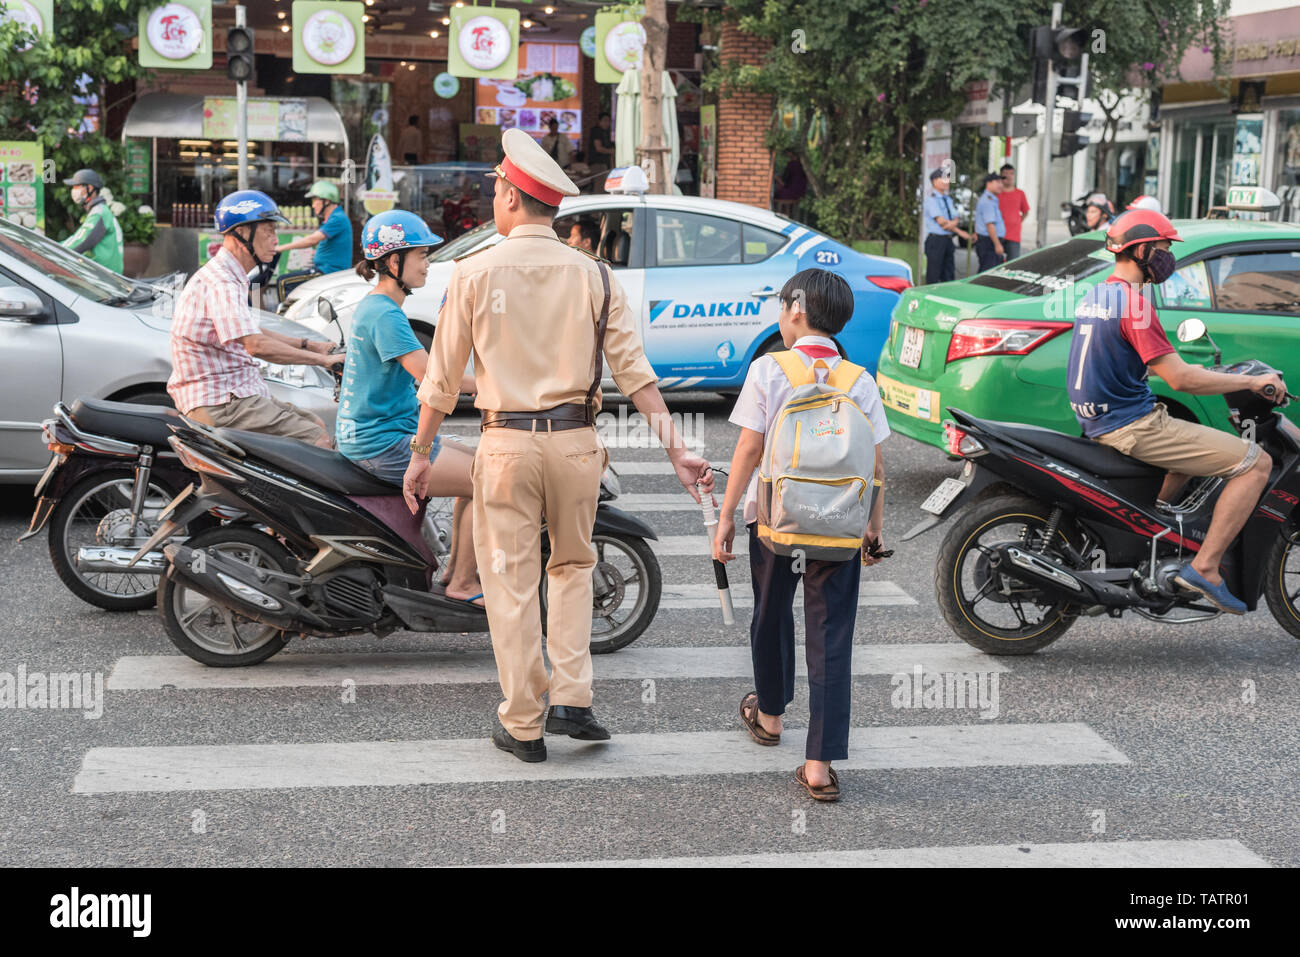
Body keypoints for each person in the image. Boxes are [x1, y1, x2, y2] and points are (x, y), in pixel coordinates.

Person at [402, 128, 714, 762]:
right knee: (573, 568)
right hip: (577, 444)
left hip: (507, 446)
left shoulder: (471, 272)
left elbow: (439, 383)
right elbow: (636, 374)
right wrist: (677, 448)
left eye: (495, 188)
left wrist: (420, 454)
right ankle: (574, 698)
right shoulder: (595, 276)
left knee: (512, 583)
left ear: (513, 199)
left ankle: (524, 723)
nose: (493, 197)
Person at [713, 268, 889, 802]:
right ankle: (819, 764)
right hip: (837, 527)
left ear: (796, 309)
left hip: (774, 524)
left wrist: (724, 517)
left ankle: (769, 716)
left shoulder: (770, 369)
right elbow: (876, 465)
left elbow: (747, 449)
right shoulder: (858, 379)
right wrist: (872, 530)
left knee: (770, 614)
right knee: (832, 635)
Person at [1065, 208, 1284, 615]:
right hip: (1132, 425)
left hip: (1099, 418)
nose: (1168, 257)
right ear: (1143, 249)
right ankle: (1205, 568)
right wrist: (1252, 382)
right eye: (1164, 248)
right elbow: (1180, 381)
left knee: (1187, 443)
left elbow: (1152, 364)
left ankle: (1148, 532)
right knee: (1256, 463)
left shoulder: (1098, 295)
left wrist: (1202, 371)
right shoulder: (1135, 304)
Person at [339, 210, 483, 606]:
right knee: (488, 480)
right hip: (381, 445)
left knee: (480, 466)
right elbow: (432, 378)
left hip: (382, 435)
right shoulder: (385, 314)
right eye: (421, 254)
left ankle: (455, 570)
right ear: (392, 261)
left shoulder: (378, 307)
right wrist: (494, 388)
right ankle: (464, 585)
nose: (428, 262)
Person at [167, 189, 344, 448]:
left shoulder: (230, 275)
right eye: (269, 231)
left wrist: (311, 345)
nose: (275, 239)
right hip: (221, 402)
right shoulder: (222, 282)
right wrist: (323, 361)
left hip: (235, 394)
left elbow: (251, 331)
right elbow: (256, 345)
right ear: (242, 234)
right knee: (316, 439)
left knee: (316, 423)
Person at [273, 180, 353, 302]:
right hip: (323, 269)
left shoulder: (338, 219)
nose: (313, 205)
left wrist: (281, 248)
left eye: (315, 200)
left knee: (283, 282)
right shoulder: (334, 217)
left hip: (328, 272)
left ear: (326, 201)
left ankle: (285, 319)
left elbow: (312, 240)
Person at [60, 169, 124, 274]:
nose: (73, 190)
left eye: (77, 186)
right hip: (104, 274)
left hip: (104, 278)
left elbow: (80, 242)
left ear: (90, 188)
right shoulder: (99, 211)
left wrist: (52, 249)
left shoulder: (99, 213)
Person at [922, 169, 970, 284]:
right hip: (936, 241)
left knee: (948, 274)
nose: (947, 181)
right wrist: (960, 232)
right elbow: (942, 223)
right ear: (934, 181)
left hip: (947, 240)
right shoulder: (931, 200)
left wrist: (951, 223)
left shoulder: (948, 199)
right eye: (943, 178)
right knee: (934, 275)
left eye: (948, 178)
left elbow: (956, 219)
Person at [974, 172, 1006, 272]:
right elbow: (990, 225)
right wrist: (997, 244)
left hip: (988, 241)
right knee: (987, 273)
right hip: (989, 243)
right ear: (989, 183)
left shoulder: (991, 199)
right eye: (998, 182)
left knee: (988, 271)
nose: (1001, 185)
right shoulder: (988, 201)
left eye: (1001, 182)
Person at [997, 163, 1030, 260]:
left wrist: (1018, 221)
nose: (1008, 176)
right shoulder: (996, 193)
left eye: (1011, 173)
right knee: (995, 265)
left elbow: (1025, 211)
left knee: (1012, 265)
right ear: (1001, 175)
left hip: (1013, 236)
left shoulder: (1020, 193)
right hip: (997, 236)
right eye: (1005, 173)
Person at [773, 149, 808, 216]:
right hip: (799, 193)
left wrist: (777, 179)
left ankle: (783, 213)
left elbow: (785, 182)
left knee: (777, 194)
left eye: (788, 153)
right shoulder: (802, 165)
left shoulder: (792, 165)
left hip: (791, 192)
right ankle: (786, 212)